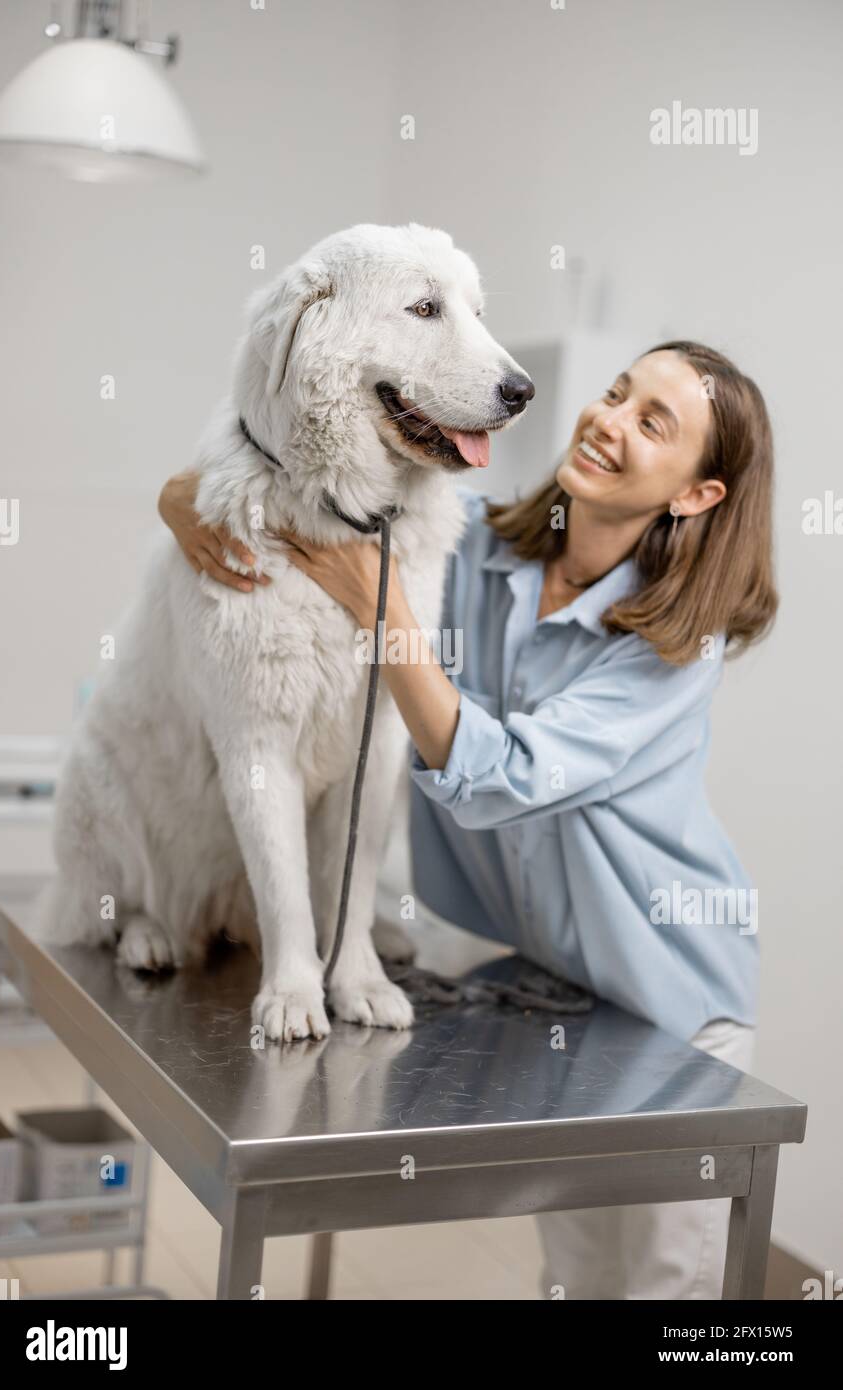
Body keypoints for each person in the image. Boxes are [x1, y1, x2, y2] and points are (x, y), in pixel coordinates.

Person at [158, 340, 777, 1299]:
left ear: (695, 494)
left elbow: (499, 776)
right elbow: (284, 481)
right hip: (560, 994)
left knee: (665, 1293)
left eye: (652, 423)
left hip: (671, 1011)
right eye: (617, 393)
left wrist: (380, 605)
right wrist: (177, 498)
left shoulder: (672, 650)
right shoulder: (473, 538)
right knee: (572, 1273)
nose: (608, 420)